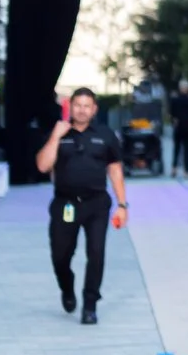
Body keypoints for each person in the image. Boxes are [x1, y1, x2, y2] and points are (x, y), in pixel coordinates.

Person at [37, 87, 126, 324]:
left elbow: (115, 170)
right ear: (70, 107)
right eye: (78, 105)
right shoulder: (59, 133)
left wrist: (122, 205)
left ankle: (90, 305)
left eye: (87, 106)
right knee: (60, 255)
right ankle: (67, 287)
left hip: (96, 204)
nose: (82, 110)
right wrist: (56, 136)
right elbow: (43, 166)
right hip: (65, 204)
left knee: (96, 253)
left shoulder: (105, 135)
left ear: (94, 109)